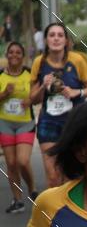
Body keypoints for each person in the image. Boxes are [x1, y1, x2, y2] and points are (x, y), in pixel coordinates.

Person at [29, 22, 87, 187]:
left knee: (72, 176)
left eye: (60, 35)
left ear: (66, 41)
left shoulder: (77, 61)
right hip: (49, 121)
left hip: (74, 121)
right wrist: (43, 86)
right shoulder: (39, 62)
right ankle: (56, 212)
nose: (56, 39)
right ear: (45, 40)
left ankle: (73, 211)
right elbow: (32, 99)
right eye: (52, 35)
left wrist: (76, 92)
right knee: (53, 177)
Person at [0, 41, 37, 212]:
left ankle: (32, 189)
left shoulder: (29, 74)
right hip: (5, 123)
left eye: (18, 53)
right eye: (11, 52)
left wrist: (31, 99)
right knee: (11, 163)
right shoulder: (1, 75)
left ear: (23, 56)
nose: (14, 55)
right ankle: (17, 200)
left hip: (25, 123)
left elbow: (39, 96)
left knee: (22, 161)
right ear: (7, 55)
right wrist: (4, 94)